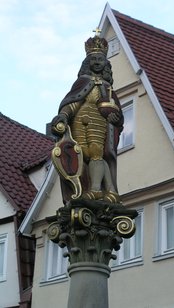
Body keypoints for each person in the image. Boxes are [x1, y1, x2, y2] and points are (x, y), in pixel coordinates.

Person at [51, 33, 124, 204]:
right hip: (78, 121)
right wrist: (64, 115)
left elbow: (117, 112)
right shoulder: (82, 82)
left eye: (100, 59)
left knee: (97, 152)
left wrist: (115, 118)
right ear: (87, 63)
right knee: (82, 155)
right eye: (94, 59)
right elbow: (73, 102)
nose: (97, 62)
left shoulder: (108, 87)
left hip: (98, 121)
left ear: (106, 63)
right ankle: (101, 190)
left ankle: (97, 190)